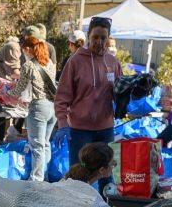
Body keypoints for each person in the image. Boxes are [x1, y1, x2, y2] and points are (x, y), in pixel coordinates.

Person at [55, 16, 119, 165]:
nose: (99, 42)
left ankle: (105, 190)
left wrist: (133, 93)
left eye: (103, 38)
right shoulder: (75, 61)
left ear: (108, 38)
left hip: (106, 128)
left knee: (107, 174)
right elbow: (62, 96)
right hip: (80, 130)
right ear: (88, 36)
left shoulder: (113, 62)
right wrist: (62, 122)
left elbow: (120, 92)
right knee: (79, 174)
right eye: (95, 37)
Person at [8, 24, 57, 181]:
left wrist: (5, 92)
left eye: (23, 50)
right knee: (46, 144)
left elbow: (19, 89)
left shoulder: (28, 65)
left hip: (39, 107)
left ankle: (36, 179)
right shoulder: (48, 63)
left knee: (37, 146)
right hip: (52, 106)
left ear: (29, 49)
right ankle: (47, 176)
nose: (23, 53)